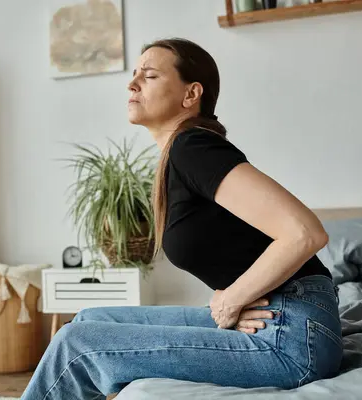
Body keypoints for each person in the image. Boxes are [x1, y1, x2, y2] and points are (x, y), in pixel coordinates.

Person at [20, 38, 342, 400]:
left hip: (294, 339)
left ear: (191, 94)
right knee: (91, 320)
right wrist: (232, 298)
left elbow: (304, 233)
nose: (132, 83)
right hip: (278, 315)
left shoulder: (194, 147)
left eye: (150, 75)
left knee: (75, 343)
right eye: (134, 74)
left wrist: (232, 299)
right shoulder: (180, 154)